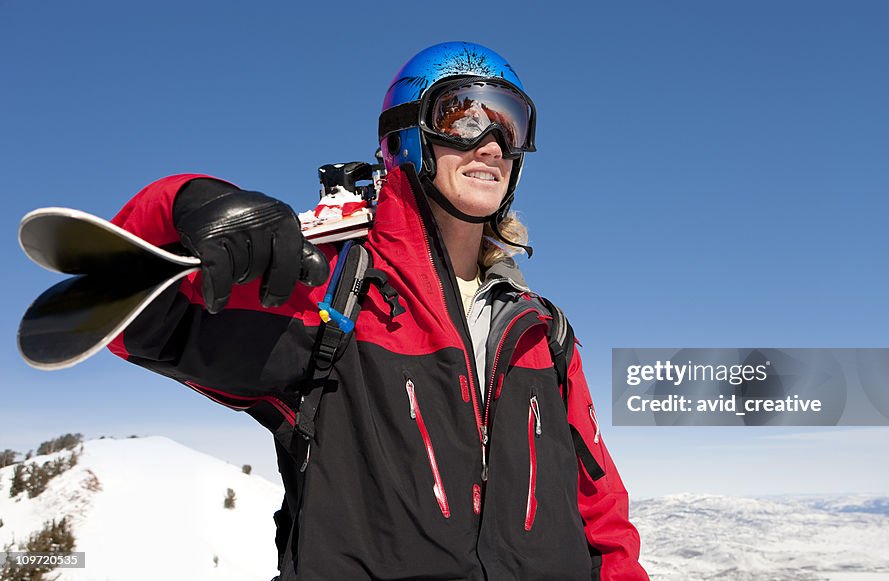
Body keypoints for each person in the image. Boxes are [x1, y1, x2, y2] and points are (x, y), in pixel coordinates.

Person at [107, 41, 648, 580]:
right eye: (461, 118)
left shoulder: (541, 331)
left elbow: (600, 512)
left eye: (508, 126)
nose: (489, 145)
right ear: (408, 135)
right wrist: (185, 204)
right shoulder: (335, 290)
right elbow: (133, 319)